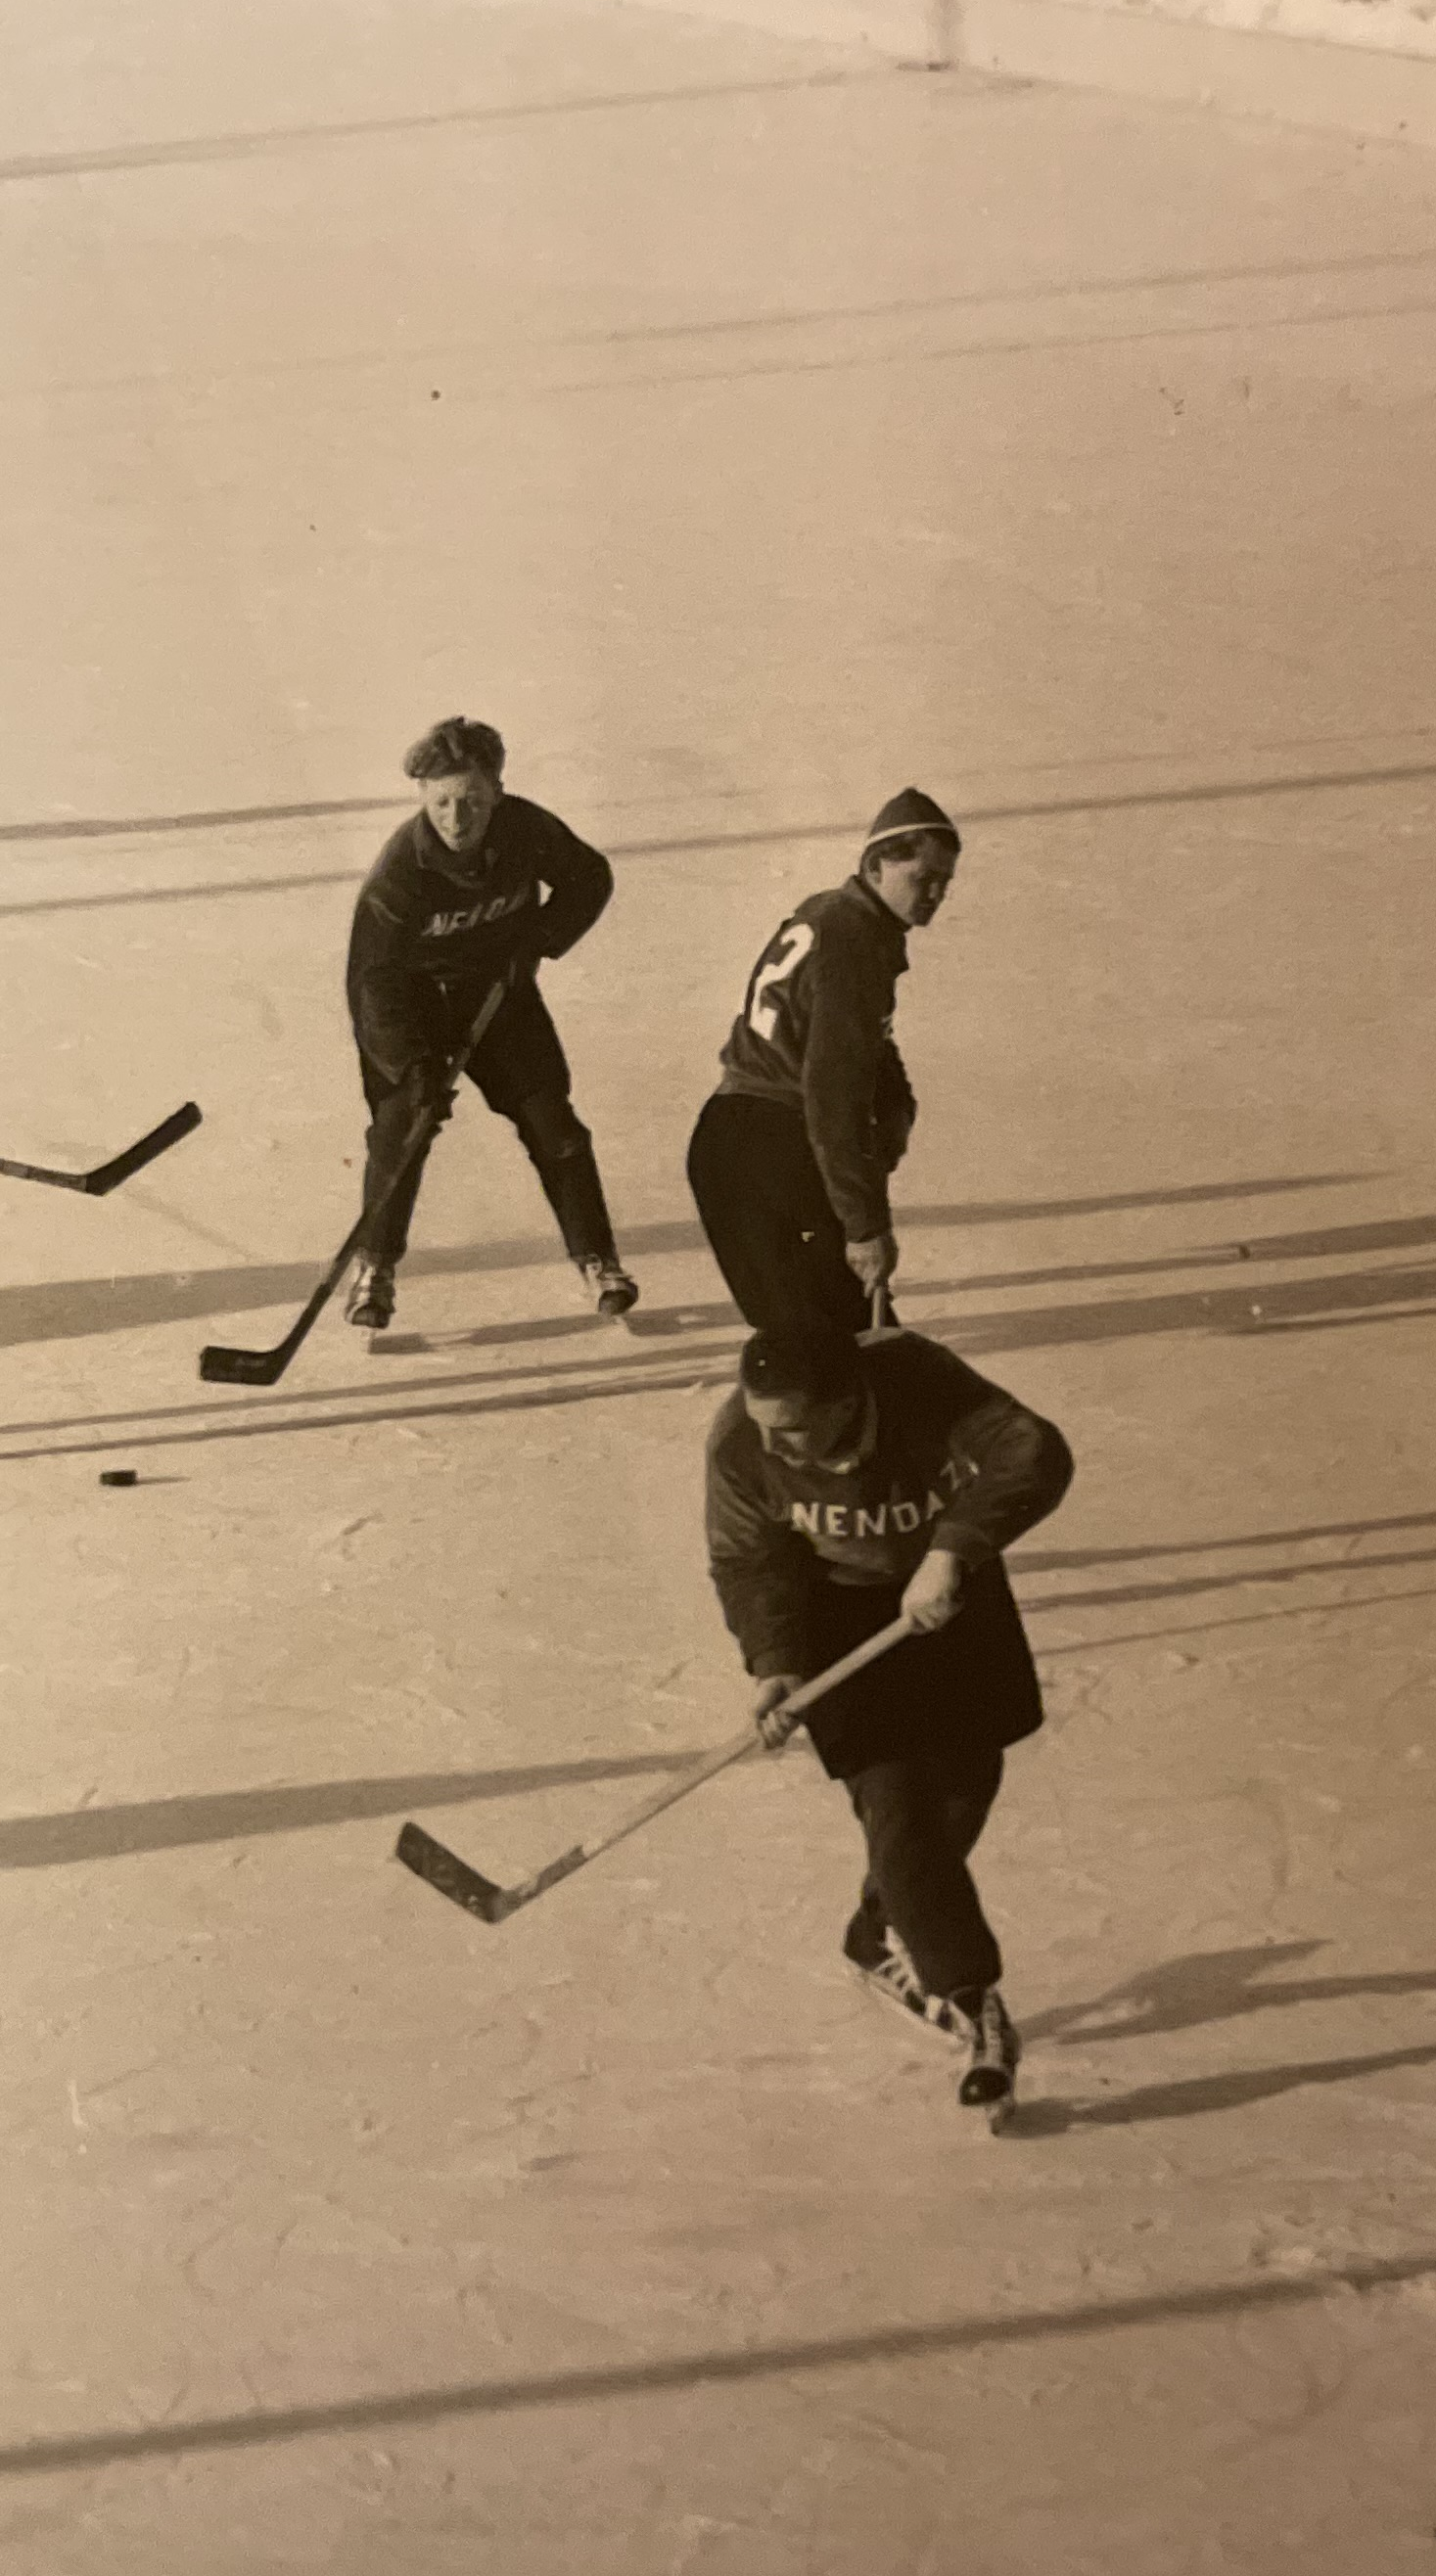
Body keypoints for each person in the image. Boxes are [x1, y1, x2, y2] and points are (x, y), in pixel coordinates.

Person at [704, 1311, 1073, 2122]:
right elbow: (745, 1558)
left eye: (796, 1431)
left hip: (944, 1591)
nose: (779, 1449)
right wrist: (775, 1665)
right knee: (897, 1801)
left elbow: (1033, 1450)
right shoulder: (741, 1442)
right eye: (768, 1429)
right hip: (832, 1615)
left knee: (963, 1788)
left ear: (848, 1400)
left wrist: (954, 1548)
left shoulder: (918, 1381)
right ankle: (971, 1997)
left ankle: (876, 1930)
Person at [340, 716, 628, 1332]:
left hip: (499, 996)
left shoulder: (526, 828)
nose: (456, 819)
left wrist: (543, 937)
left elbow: (589, 877)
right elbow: (373, 984)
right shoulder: (400, 874)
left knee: (554, 1122)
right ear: (422, 797)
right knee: (400, 1131)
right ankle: (375, 1268)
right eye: (442, 802)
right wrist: (410, 1066)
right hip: (410, 1007)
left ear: (496, 791)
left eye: (471, 800)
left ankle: (598, 1259)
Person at [688, 790, 955, 1345]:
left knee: (813, 1357)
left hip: (735, 1144)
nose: (934, 894)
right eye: (922, 876)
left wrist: (898, 1107)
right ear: (875, 866)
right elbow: (833, 1098)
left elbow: (865, 1051)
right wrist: (865, 1229)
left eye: (944, 883)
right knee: (848, 1357)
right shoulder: (853, 944)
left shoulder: (830, 915)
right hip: (774, 1151)